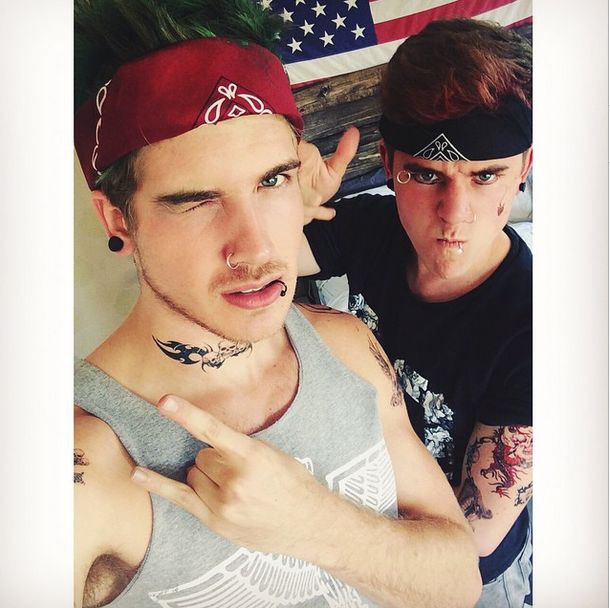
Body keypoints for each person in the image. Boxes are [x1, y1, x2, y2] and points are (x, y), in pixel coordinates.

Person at [73, 2, 482, 608]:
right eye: (195, 200)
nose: (259, 247)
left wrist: (315, 524)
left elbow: (458, 583)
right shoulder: (85, 467)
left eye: (272, 181)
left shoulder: (345, 345)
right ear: (118, 220)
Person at [299, 18, 533, 608]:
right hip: (365, 517)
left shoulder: (538, 334)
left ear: (524, 166)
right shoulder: (374, 228)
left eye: (486, 177)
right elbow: (247, 267)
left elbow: (468, 549)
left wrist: (305, 522)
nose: (455, 215)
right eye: (426, 175)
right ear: (388, 161)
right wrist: (274, 204)